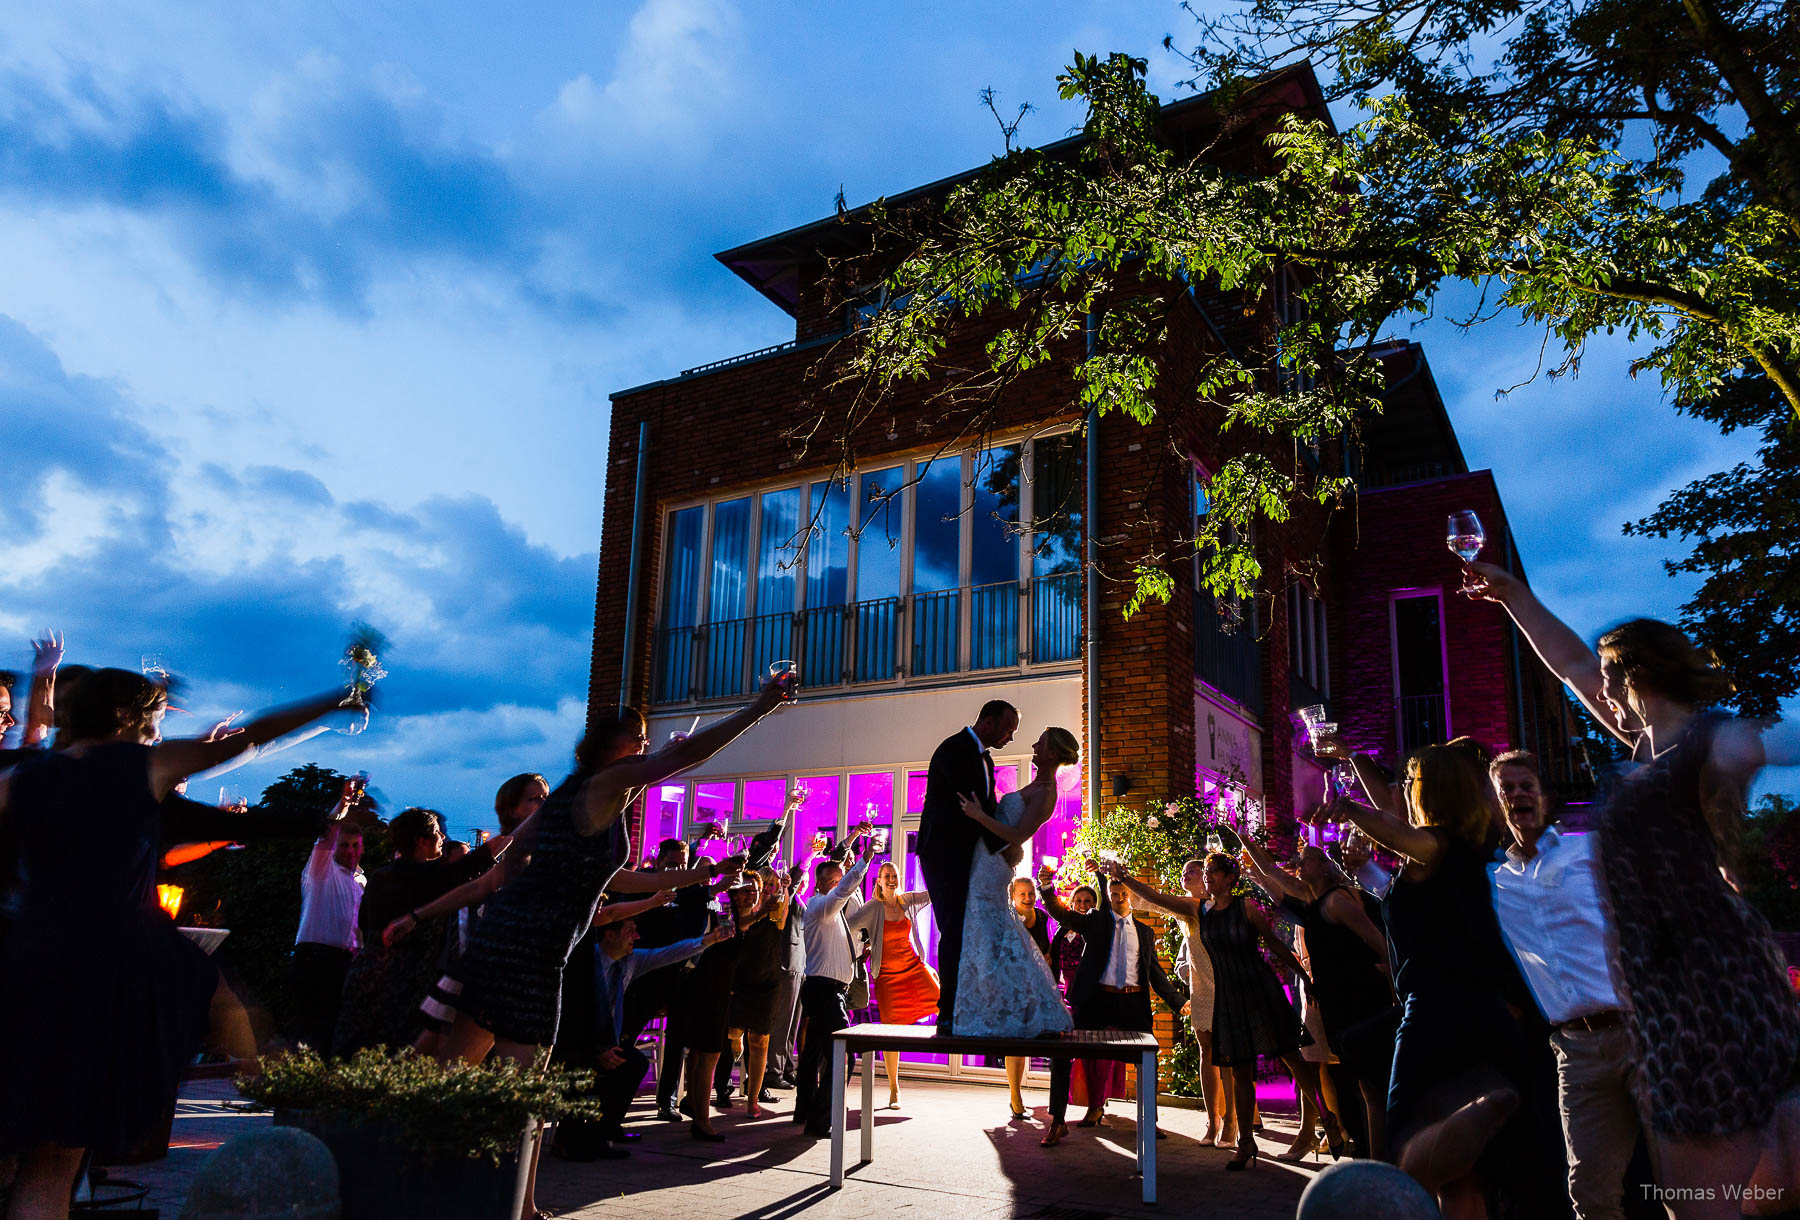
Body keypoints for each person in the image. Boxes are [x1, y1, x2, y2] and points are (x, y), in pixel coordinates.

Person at [1467, 566, 1800, 1217]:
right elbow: (1567, 664)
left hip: (1715, 977)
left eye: (1609, 675)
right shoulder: (1640, 749)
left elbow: (1767, 744)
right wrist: (1513, 596)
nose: (1599, 689)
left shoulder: (1708, 740)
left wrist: (1756, 749)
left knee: (1711, 1192)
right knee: (1703, 1189)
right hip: (1658, 993)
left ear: (1636, 675)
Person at [390, 679, 788, 1219]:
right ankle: (485, 1199)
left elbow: (593, 880)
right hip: (528, 953)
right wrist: (760, 707)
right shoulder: (606, 784)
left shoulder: (570, 802)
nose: (647, 747)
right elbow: (689, 753)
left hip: (509, 945)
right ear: (608, 748)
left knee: (474, 1080)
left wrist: (416, 916)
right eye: (638, 739)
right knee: (517, 1084)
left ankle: (479, 1195)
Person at [0, 669, 356, 1216]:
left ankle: (273, 1075)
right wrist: (335, 700)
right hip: (106, 959)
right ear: (126, 716)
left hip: (26, 961)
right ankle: (277, 1082)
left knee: (28, 1148)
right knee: (55, 1158)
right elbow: (254, 737)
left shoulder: (20, 778)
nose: (158, 729)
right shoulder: (143, 765)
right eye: (156, 716)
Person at [1320, 741, 1543, 1217]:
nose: (1402, 789)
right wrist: (1353, 763)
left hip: (1437, 1015)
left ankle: (1473, 1115)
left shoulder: (1436, 845)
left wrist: (1346, 808)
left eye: (1410, 782)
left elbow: (1399, 830)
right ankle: (1473, 1116)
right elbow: (1398, 838)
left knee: (1408, 1149)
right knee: (1467, 1179)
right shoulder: (1467, 851)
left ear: (1429, 790)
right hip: (1485, 1013)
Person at [1485, 749, 1637, 1220]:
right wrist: (1367, 871)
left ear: (1545, 796)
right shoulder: (1495, 880)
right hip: (1576, 1051)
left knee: (1679, 1181)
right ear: (1496, 805)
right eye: (1506, 789)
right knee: (1590, 1194)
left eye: (1525, 784)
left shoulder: (1588, 850)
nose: (1517, 795)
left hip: (1640, 1033)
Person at [1240, 837, 1394, 1161]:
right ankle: (1370, 1157)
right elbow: (1273, 876)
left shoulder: (1337, 901)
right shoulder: (1312, 906)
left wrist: (1395, 988)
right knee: (1360, 1086)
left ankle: (1378, 1159)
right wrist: (1244, 842)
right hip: (1337, 1002)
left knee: (1370, 1087)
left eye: (1307, 859)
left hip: (1361, 1000)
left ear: (1325, 868)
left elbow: (1379, 940)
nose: (1299, 864)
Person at [555, 913, 732, 1160]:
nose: (637, 937)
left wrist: (708, 941)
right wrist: (596, 1051)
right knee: (579, 1064)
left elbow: (666, 954)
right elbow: (571, 1020)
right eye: (630, 931)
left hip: (606, 1043)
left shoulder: (629, 961)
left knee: (634, 1063)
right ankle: (566, 1140)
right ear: (609, 934)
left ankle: (601, 1136)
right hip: (573, 1043)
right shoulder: (585, 963)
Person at [334, 808, 508, 1055]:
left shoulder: (379, 876)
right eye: (437, 832)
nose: (443, 838)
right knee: (401, 1054)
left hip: (366, 973)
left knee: (355, 1050)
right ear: (421, 841)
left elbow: (363, 922)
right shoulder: (434, 876)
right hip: (408, 980)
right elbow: (480, 860)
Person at [1037, 867, 1187, 1148]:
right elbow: (1060, 913)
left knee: (1147, 1061)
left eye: (1123, 894)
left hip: (1132, 1002)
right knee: (1063, 1052)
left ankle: (1148, 1121)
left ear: (1132, 897)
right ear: (1107, 896)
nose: (1118, 898)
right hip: (1096, 1000)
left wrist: (1179, 1002)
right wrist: (1046, 888)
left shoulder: (1144, 932)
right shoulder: (1096, 923)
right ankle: (1058, 1120)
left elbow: (1155, 973)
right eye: (1113, 894)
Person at [950, 727, 1079, 1040]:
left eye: (1041, 742)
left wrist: (979, 815)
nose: (1034, 744)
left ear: (1052, 754)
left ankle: (1007, 1005)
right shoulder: (1038, 785)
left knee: (987, 927)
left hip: (994, 864)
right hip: (989, 857)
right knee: (987, 928)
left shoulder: (1047, 792)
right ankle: (990, 1003)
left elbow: (1020, 834)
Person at [1111, 858, 1234, 1146]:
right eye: (1183, 872)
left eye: (1192, 870)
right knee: (1207, 1053)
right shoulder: (1185, 908)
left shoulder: (1221, 908)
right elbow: (1147, 902)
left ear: (1208, 878)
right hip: (1202, 990)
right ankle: (1212, 1118)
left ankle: (1231, 1122)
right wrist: (1118, 877)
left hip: (1227, 988)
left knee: (1226, 1055)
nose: (1186, 875)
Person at [916, 700, 1017, 1033]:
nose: (1010, 737)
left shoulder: (985, 758)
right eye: (1008, 728)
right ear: (987, 722)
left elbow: (984, 809)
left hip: (967, 853)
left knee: (964, 928)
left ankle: (962, 1005)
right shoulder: (953, 749)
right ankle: (947, 1011)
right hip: (944, 852)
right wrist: (1003, 847)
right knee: (955, 927)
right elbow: (971, 807)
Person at [794, 822, 874, 1138]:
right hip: (824, 991)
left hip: (826, 989)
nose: (843, 885)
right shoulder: (820, 907)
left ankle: (805, 1110)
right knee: (844, 1055)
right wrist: (864, 859)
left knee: (813, 1052)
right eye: (837, 881)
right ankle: (819, 1120)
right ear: (826, 883)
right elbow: (843, 890)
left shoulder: (831, 913)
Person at [673, 878, 759, 1141]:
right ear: (732, 895)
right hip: (708, 990)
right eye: (744, 892)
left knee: (702, 1054)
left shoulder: (742, 920)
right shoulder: (723, 913)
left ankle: (694, 1105)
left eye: (753, 892)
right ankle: (702, 1121)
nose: (750, 896)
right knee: (708, 1054)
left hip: (718, 991)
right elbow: (723, 946)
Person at [850, 860, 937, 1109]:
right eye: (886, 875)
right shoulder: (872, 907)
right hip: (887, 977)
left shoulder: (907, 901)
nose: (891, 879)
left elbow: (933, 895)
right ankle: (894, 1089)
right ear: (878, 880)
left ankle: (954, 1046)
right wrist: (863, 945)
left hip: (913, 968)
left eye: (895, 875)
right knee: (890, 1032)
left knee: (942, 1000)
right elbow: (850, 926)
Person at [290, 778, 368, 1053]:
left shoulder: (361, 880)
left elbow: (357, 923)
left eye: (354, 846)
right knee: (311, 1030)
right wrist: (343, 805)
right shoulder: (321, 871)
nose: (349, 851)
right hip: (315, 957)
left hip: (346, 960)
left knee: (339, 1029)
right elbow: (326, 835)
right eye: (344, 845)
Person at [715, 867, 792, 1120]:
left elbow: (782, 914)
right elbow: (741, 926)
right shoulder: (737, 915)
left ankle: (753, 1099)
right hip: (739, 983)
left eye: (765, 888)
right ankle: (735, 1038)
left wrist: (786, 889)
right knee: (732, 1031)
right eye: (752, 890)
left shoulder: (772, 914)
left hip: (768, 983)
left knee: (760, 1042)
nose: (760, 892)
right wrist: (759, 913)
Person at [1002, 876, 1051, 1120]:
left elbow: (1047, 948)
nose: (1028, 898)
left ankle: (1019, 1095)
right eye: (1022, 894)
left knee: (1030, 1040)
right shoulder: (1007, 918)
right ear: (1013, 896)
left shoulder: (1041, 917)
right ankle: (1015, 1096)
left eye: (1031, 893)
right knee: (1015, 1042)